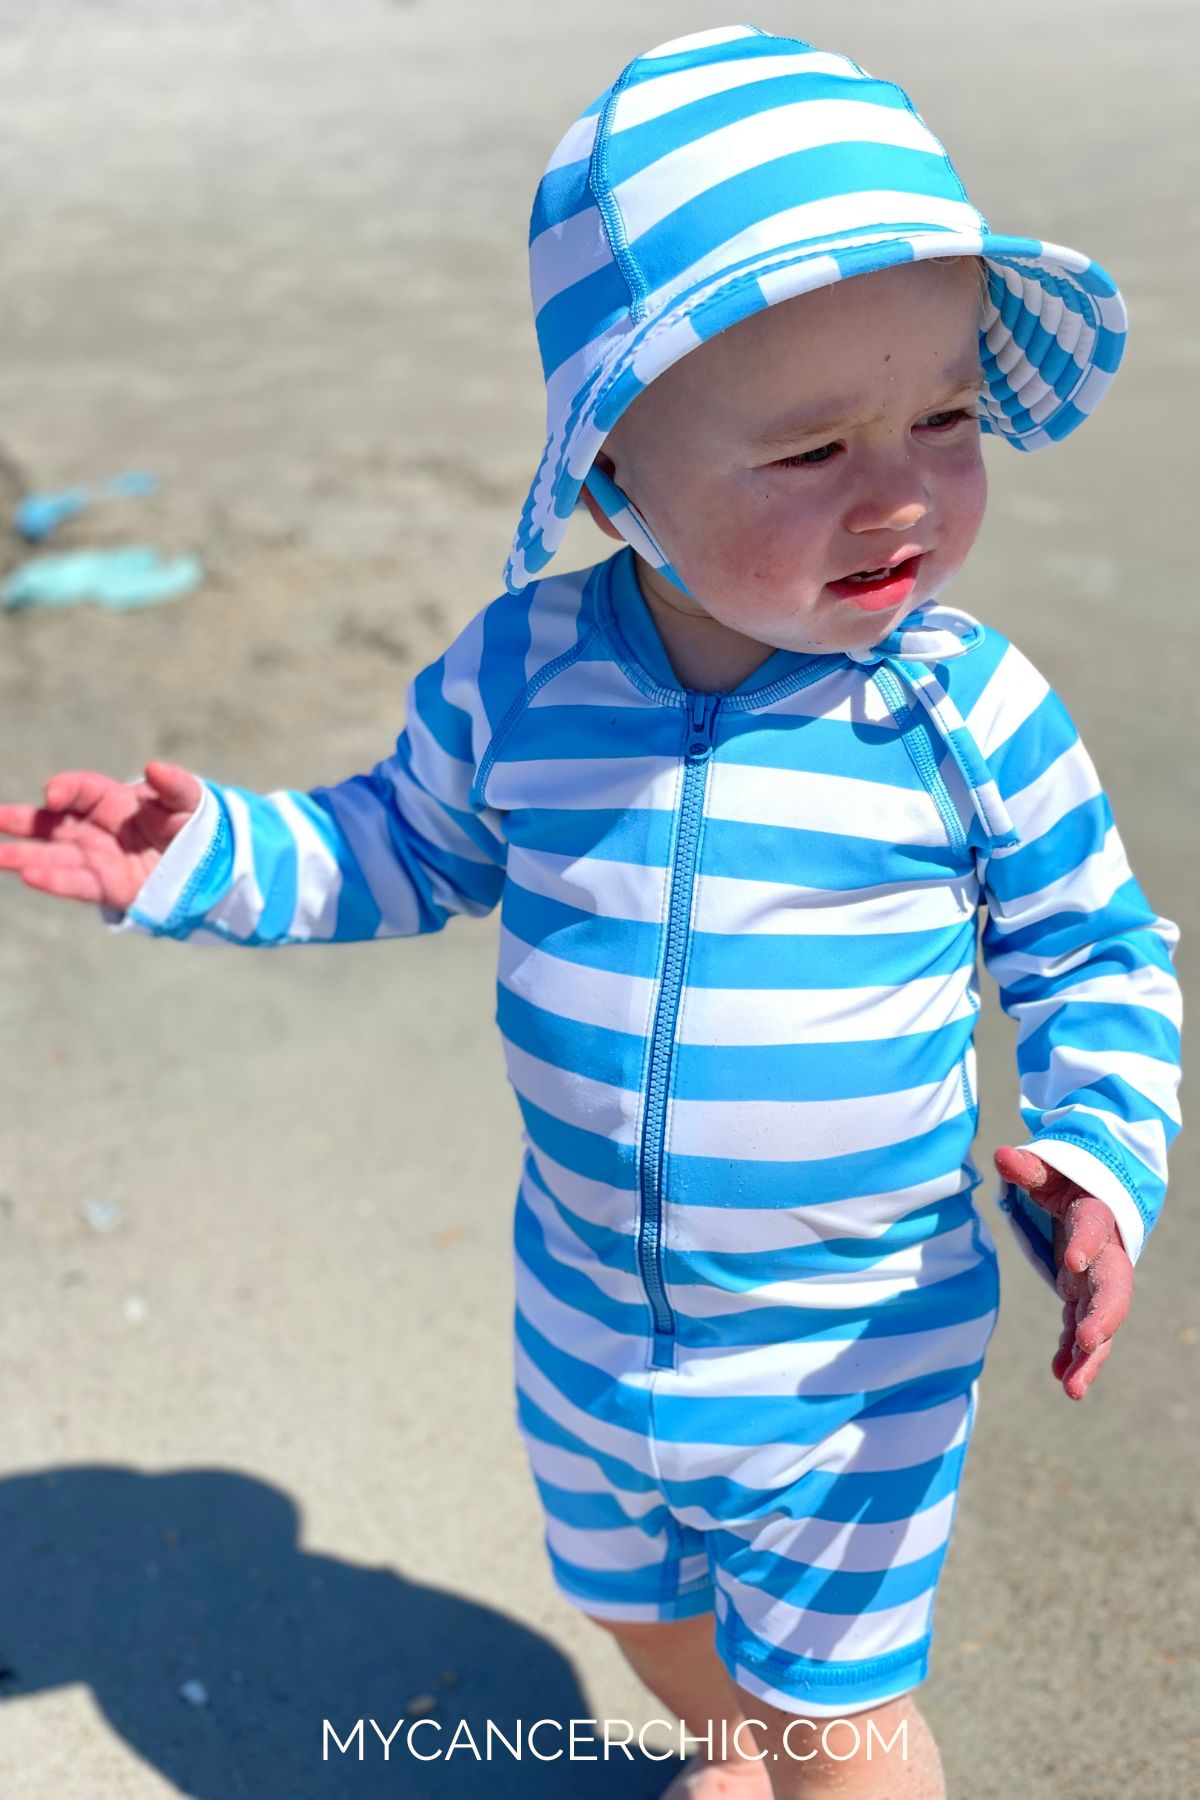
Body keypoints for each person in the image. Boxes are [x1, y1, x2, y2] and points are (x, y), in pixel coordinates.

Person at [0, 26, 1182, 1799]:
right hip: (585, 1310)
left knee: (841, 1711)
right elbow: (396, 840)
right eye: (808, 448)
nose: (900, 488)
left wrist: (1101, 1153)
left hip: (854, 1340)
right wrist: (203, 858)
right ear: (616, 474)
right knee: (635, 1616)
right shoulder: (528, 674)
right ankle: (732, 1747)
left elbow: (1096, 952)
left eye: (945, 415)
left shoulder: (964, 710)